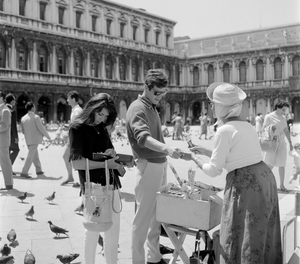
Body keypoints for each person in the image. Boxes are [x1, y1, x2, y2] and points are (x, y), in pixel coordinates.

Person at [190, 82, 282, 264]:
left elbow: (214, 169)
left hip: (246, 185)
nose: (210, 107)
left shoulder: (223, 130)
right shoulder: (246, 126)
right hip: (264, 179)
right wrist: (205, 151)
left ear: (222, 107)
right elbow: (236, 155)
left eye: (213, 103)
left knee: (242, 234)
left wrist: (194, 159)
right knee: (261, 233)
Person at [126, 69, 183, 264]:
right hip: (148, 165)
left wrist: (165, 153)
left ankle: (154, 257)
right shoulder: (137, 108)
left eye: (163, 93)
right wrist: (166, 148)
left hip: (158, 164)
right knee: (142, 220)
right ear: (146, 87)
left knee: (155, 218)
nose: (160, 97)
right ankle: (137, 261)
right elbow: (143, 138)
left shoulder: (151, 107)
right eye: (157, 92)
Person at [69, 93, 123, 264]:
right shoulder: (77, 128)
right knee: (92, 231)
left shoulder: (102, 128)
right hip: (93, 188)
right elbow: (77, 164)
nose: (103, 118)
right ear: (92, 108)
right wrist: (106, 165)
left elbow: (109, 150)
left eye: (106, 116)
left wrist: (112, 155)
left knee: (113, 233)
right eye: (101, 114)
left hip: (111, 184)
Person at [262, 99, 293, 192]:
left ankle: (282, 185)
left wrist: (291, 143)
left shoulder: (283, 117)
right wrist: (272, 128)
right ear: (278, 107)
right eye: (283, 110)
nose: (284, 112)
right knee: (270, 164)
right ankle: (263, 183)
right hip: (272, 143)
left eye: (285, 110)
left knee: (282, 164)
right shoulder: (269, 117)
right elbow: (263, 130)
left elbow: (286, 130)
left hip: (282, 143)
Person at [20, 102, 51, 178]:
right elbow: (41, 128)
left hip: (28, 139)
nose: (35, 108)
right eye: (34, 106)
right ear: (32, 108)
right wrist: (48, 136)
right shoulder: (36, 117)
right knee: (30, 156)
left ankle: (38, 170)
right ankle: (24, 172)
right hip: (35, 139)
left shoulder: (23, 118)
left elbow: (23, 131)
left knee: (34, 155)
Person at [61, 90, 82, 186]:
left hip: (75, 139)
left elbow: (78, 126)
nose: (67, 100)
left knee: (73, 159)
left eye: (68, 98)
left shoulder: (77, 111)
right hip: (73, 138)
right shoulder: (75, 110)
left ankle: (79, 180)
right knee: (68, 157)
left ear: (73, 99)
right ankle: (71, 177)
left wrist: (69, 127)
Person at [0, 91, 13, 190]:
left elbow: (4, 126)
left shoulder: (5, 111)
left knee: (5, 162)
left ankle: (8, 184)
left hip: (2, 141)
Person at [5, 93, 19, 174]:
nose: (15, 102)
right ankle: (7, 166)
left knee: (7, 151)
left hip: (3, 135)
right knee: (16, 150)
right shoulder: (12, 111)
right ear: (12, 101)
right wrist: (16, 137)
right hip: (10, 136)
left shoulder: (2, 109)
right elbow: (13, 125)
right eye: (14, 100)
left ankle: (6, 166)